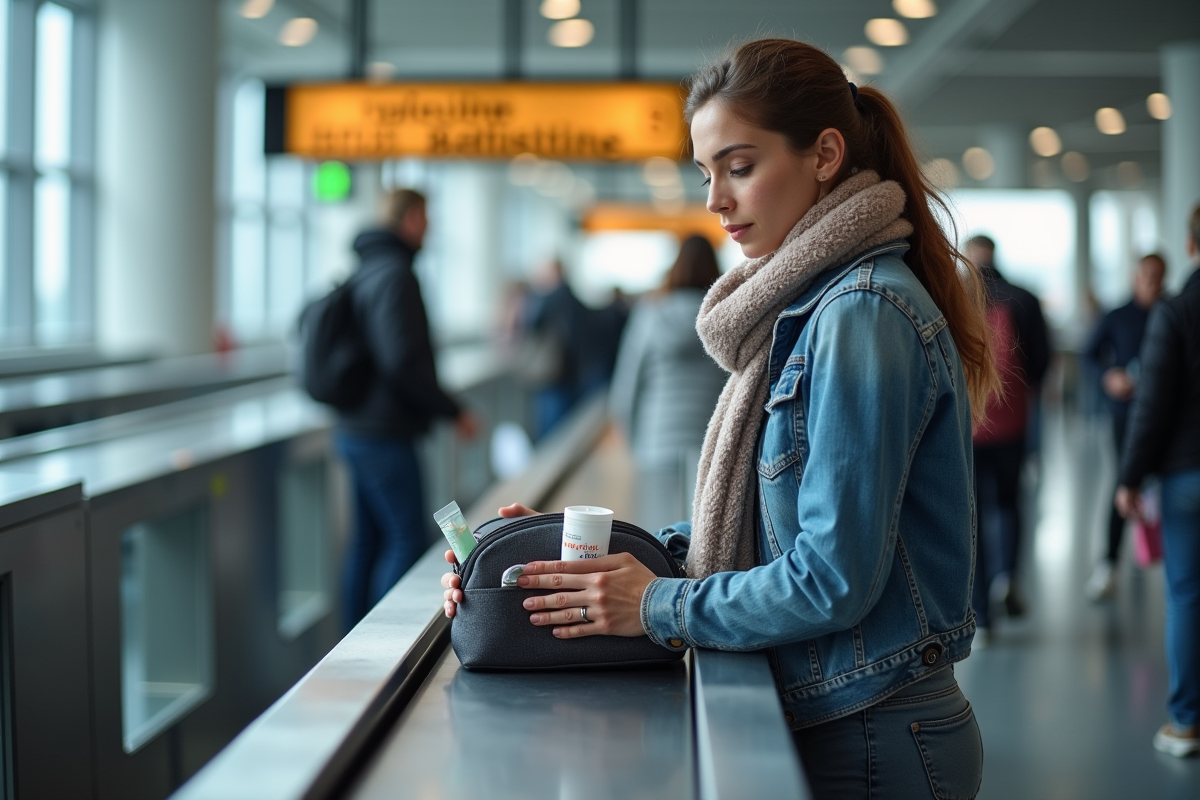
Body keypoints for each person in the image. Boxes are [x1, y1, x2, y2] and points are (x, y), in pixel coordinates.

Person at [445, 38, 997, 799]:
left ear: (825, 154)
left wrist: (653, 603)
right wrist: (553, 555)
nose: (714, 200)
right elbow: (767, 532)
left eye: (740, 167)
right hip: (843, 717)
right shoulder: (803, 309)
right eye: (706, 173)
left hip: (871, 734)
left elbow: (833, 577)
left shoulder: (860, 313)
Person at [338, 188, 478, 630]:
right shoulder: (397, 274)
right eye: (427, 216)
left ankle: (352, 642)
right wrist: (452, 410)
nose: (431, 227)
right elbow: (401, 361)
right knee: (404, 538)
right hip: (386, 432)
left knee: (367, 541)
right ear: (412, 217)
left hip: (354, 427)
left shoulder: (362, 268)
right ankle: (384, 643)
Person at [1116, 204, 1200, 758]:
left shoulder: (1177, 312)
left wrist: (1129, 477)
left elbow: (1152, 404)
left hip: (1186, 475)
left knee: (1188, 594)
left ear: (1191, 246)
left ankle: (1186, 724)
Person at [966, 235, 1050, 633]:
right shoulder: (1025, 298)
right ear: (995, 256)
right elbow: (1042, 363)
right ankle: (1007, 579)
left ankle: (981, 613)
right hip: (1013, 422)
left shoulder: (954, 298)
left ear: (969, 256)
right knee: (1010, 501)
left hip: (967, 427)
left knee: (974, 513)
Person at [1083, 254, 1167, 600]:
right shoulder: (1116, 316)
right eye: (1146, 277)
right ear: (1135, 278)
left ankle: (1163, 557)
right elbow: (1088, 355)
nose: (1152, 284)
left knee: (1164, 489)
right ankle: (1108, 565)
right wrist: (1108, 377)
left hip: (1166, 418)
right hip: (1125, 417)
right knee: (1123, 483)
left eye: (1158, 278)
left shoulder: (1171, 312)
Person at [609, 235, 725, 469]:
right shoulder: (725, 318)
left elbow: (627, 385)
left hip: (656, 441)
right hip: (712, 446)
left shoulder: (650, 314)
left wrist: (633, 440)